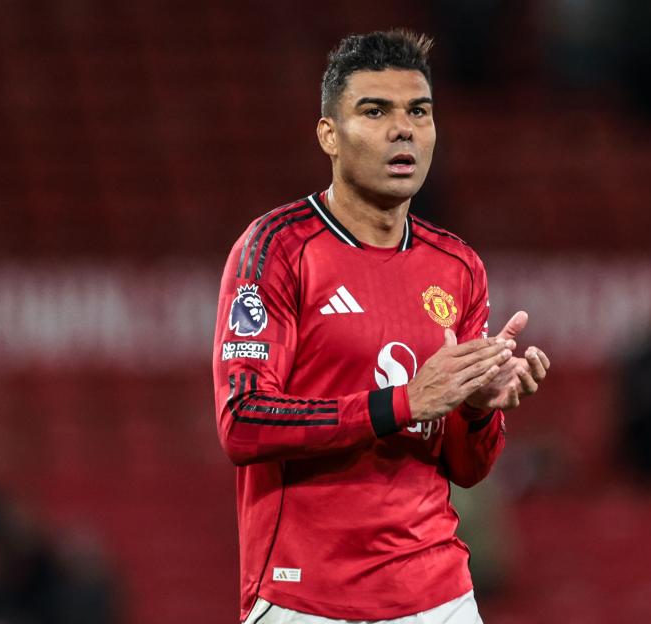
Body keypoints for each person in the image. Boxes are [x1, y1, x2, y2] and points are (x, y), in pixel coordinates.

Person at [212, 30, 550, 624]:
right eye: (375, 111)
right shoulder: (277, 250)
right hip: (307, 596)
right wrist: (403, 402)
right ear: (328, 136)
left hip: (439, 595)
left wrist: (477, 407)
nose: (404, 129)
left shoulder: (458, 267)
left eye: (419, 111)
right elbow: (242, 422)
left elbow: (468, 468)